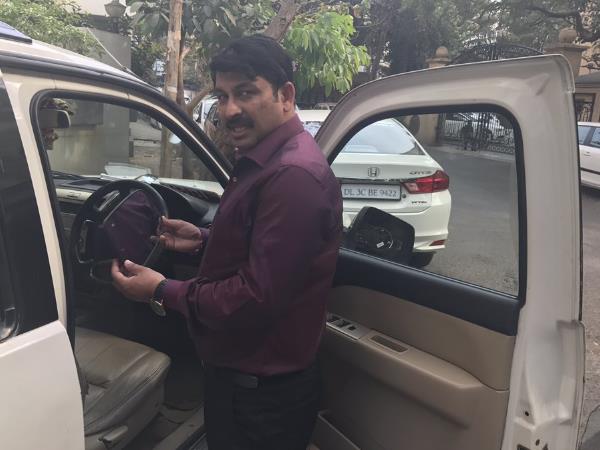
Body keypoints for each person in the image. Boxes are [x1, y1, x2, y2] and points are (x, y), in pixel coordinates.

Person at [111, 35, 343, 450]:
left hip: (261, 401)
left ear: (286, 95)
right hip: (244, 386)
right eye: (222, 96)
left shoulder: (292, 177)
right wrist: (202, 239)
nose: (230, 110)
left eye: (246, 93)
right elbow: (264, 251)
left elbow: (255, 299)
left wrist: (161, 289)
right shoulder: (265, 160)